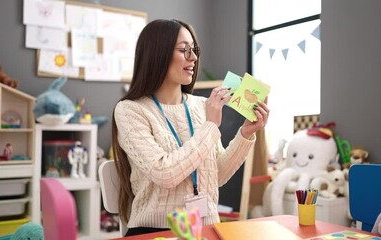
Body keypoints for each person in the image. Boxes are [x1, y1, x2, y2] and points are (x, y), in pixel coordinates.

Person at [111, 19, 270, 236]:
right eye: (184, 50)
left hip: (205, 228)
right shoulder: (130, 111)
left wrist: (245, 134)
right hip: (156, 230)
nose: (194, 57)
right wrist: (211, 125)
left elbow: (218, 175)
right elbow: (164, 174)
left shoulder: (200, 105)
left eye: (194, 49)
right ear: (158, 54)